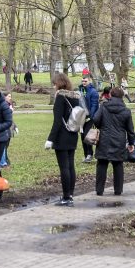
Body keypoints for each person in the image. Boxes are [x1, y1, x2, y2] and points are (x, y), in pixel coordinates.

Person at [46, 73, 82, 206]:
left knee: (64, 168)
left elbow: (57, 121)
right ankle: (70, 194)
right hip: (73, 134)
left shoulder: (61, 97)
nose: (54, 86)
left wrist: (50, 139)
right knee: (71, 166)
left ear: (59, 83)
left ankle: (66, 197)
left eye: (54, 84)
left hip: (62, 136)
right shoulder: (74, 97)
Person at [92, 86, 135, 196]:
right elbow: (130, 130)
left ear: (110, 95)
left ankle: (99, 190)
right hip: (119, 140)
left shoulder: (104, 106)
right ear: (122, 96)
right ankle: (118, 190)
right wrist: (131, 143)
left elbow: (96, 120)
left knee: (102, 163)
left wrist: (102, 125)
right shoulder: (126, 111)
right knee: (118, 165)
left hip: (104, 139)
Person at [80, 74, 100, 163]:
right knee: (82, 136)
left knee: (87, 136)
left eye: (85, 81)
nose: (84, 82)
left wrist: (90, 117)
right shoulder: (81, 90)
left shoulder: (93, 92)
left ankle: (90, 154)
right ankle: (86, 155)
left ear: (90, 81)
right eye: (82, 81)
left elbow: (94, 105)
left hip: (90, 118)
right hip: (81, 117)